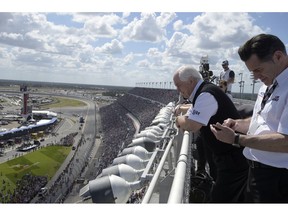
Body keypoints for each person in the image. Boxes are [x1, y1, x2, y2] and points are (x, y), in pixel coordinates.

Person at [210, 33, 288, 203]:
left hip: (278, 179)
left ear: (278, 56)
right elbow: (260, 122)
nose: (257, 76)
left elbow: (286, 142)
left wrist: (237, 139)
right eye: (253, 72)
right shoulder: (268, 84)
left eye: (258, 70)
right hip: (256, 173)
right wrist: (237, 124)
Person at [173, 65, 249, 203]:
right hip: (228, 156)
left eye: (178, 85)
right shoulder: (204, 92)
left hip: (233, 158)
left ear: (191, 81)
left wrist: (178, 120)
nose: (177, 89)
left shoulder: (206, 94)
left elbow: (192, 124)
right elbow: (192, 114)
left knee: (221, 199)